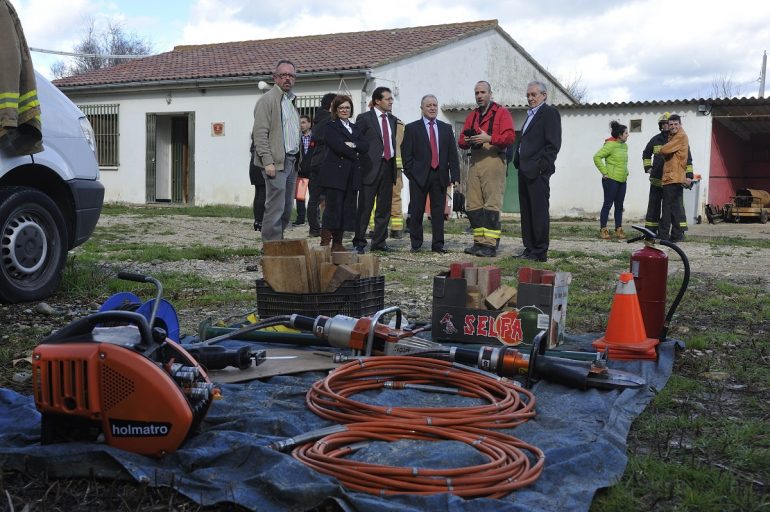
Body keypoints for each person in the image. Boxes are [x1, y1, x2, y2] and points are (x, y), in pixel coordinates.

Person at [457, 81, 515, 258]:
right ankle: (479, 242)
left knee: (492, 203)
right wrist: (468, 140)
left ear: (490, 94)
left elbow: (510, 137)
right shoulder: (472, 115)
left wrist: (488, 137)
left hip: (493, 158)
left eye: (483, 92)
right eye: (477, 93)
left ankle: (490, 244)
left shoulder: (501, 112)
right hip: (475, 160)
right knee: (473, 204)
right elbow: (460, 140)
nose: (479, 95)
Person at [401, 94, 461, 253]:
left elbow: (452, 155)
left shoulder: (446, 128)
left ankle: (438, 244)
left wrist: (455, 176)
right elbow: (406, 154)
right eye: (429, 105)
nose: (433, 108)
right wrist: (411, 174)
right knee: (416, 211)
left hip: (439, 176)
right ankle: (416, 243)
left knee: (438, 212)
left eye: (435, 105)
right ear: (422, 108)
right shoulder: (412, 128)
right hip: (419, 176)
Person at [251, 59, 301, 242]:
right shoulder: (267, 100)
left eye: (291, 75)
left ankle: (278, 243)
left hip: (291, 162)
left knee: (287, 208)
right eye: (283, 75)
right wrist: (267, 161)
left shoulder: (290, 101)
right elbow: (260, 134)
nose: (287, 79)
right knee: (275, 208)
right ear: (275, 78)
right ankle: (271, 248)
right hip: (275, 163)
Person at [513, 81, 562, 262]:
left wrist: (542, 168)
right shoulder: (530, 115)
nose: (530, 98)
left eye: (534, 94)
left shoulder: (549, 113)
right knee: (527, 211)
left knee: (539, 211)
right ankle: (530, 248)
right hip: (524, 170)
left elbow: (553, 144)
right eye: (528, 95)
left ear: (544, 95)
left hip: (537, 172)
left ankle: (540, 251)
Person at [318, 95, 368, 252]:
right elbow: (338, 146)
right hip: (335, 175)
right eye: (341, 108)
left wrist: (353, 145)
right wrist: (355, 150)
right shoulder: (330, 126)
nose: (344, 110)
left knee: (346, 209)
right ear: (335, 110)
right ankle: (325, 243)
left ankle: (338, 243)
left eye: (347, 107)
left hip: (352, 174)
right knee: (333, 209)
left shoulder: (355, 128)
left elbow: (364, 146)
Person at [354, 87, 398, 253]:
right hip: (370, 168)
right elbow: (357, 141)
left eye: (391, 98)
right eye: (388, 99)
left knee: (384, 208)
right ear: (378, 101)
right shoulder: (365, 118)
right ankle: (359, 242)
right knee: (365, 208)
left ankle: (379, 242)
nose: (391, 101)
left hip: (388, 167)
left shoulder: (392, 120)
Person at [658, 114, 693, 242]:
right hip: (675, 177)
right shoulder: (675, 136)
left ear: (680, 124)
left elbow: (665, 150)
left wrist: (662, 149)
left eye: (675, 124)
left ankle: (663, 236)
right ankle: (676, 235)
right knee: (674, 208)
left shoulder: (680, 137)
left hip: (673, 177)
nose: (673, 127)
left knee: (666, 208)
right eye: (671, 124)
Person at [593, 121, 629, 240]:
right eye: (626, 133)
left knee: (619, 206)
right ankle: (603, 230)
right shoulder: (610, 145)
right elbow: (597, 157)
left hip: (622, 180)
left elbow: (622, 162)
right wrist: (604, 172)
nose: (628, 135)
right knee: (608, 204)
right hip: (611, 180)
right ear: (619, 135)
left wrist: (626, 171)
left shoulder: (625, 146)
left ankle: (618, 229)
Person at [307, 93, 336, 237]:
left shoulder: (318, 119)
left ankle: (316, 228)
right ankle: (318, 228)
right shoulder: (327, 120)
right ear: (331, 105)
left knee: (316, 198)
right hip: (323, 163)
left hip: (317, 162)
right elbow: (321, 138)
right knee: (320, 198)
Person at [292, 114, 312, 226]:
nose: (302, 125)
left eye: (304, 122)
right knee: (300, 196)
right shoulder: (296, 138)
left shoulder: (315, 137)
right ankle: (300, 218)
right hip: (300, 171)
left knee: (314, 196)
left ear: (309, 124)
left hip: (313, 171)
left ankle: (315, 218)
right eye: (300, 123)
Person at [248, 137, 265, 231]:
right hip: (260, 167)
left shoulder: (255, 143)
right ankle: (261, 220)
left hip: (254, 167)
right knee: (262, 194)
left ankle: (257, 220)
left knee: (258, 194)